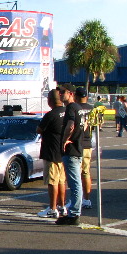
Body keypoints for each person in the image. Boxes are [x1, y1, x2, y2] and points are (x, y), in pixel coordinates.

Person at [58, 84, 89, 225]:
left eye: (62, 92)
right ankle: (74, 211)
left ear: (70, 93)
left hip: (72, 150)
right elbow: (86, 125)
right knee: (75, 182)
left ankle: (74, 214)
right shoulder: (79, 108)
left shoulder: (71, 107)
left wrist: (65, 140)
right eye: (59, 92)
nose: (60, 94)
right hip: (78, 148)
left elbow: (71, 125)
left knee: (75, 182)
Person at [36, 89, 67, 219]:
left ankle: (53, 208)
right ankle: (62, 206)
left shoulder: (50, 115)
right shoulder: (67, 113)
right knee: (61, 181)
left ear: (50, 101)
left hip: (51, 152)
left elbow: (39, 130)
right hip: (63, 152)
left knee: (52, 182)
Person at [76, 87, 95, 209]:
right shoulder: (92, 109)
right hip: (88, 142)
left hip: (77, 142)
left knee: (75, 173)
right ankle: (87, 199)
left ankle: (76, 199)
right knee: (86, 172)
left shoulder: (75, 108)